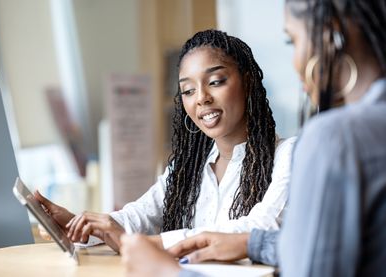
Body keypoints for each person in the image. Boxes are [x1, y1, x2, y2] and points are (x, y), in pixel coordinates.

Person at [120, 0, 386, 276]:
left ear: (333, 37)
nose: (201, 98)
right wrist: (252, 243)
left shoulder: (335, 139)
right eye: (187, 90)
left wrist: (166, 271)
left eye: (292, 41)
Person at [36, 30, 296, 251]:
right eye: (188, 90)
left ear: (248, 83)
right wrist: (80, 225)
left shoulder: (290, 156)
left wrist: (143, 243)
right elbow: (136, 217)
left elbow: (259, 228)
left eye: (215, 82)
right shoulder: (186, 169)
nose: (201, 98)